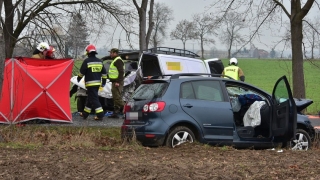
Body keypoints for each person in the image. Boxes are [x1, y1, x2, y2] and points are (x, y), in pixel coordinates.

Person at [77, 44, 107, 120]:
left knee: (94, 99)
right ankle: (85, 114)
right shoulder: (100, 61)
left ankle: (100, 115)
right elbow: (104, 73)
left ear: (88, 52)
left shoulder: (86, 61)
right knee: (90, 99)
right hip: (97, 84)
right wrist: (103, 82)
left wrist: (78, 79)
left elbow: (82, 72)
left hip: (90, 84)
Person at [108, 48, 125, 118]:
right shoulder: (116, 60)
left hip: (117, 82)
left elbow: (121, 72)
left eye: (111, 53)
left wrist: (117, 81)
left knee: (117, 97)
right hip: (115, 81)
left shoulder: (118, 60)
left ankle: (129, 110)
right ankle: (115, 113)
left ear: (115, 53)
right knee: (116, 98)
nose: (110, 54)